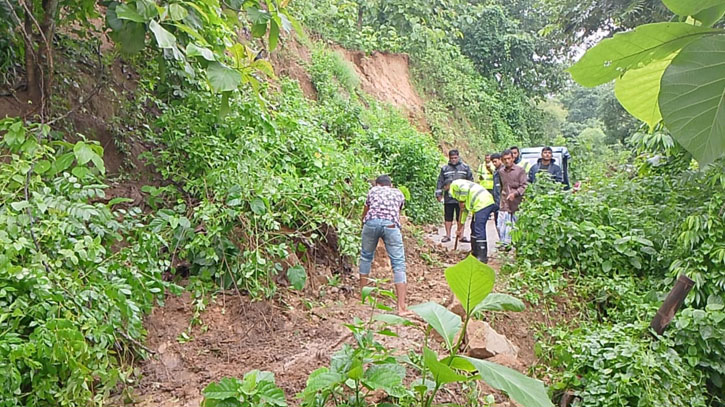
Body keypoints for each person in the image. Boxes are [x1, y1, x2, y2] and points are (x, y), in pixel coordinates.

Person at [359, 175, 409, 315]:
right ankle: (401, 308)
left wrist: (362, 222)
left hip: (371, 223)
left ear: (377, 184)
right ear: (390, 184)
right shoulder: (398, 193)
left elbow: (366, 209)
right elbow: (397, 213)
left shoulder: (373, 190)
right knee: (398, 263)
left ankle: (363, 297)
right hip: (391, 225)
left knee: (366, 257)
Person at [442, 179, 496, 263]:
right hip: (479, 205)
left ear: (447, 186)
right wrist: (459, 228)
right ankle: (475, 252)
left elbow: (464, 188)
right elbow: (464, 212)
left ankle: (482, 256)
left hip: (483, 203)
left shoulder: (456, 184)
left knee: (478, 228)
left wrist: (462, 200)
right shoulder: (462, 195)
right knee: (473, 226)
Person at [435, 149, 474, 243]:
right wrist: (438, 194)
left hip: (462, 198)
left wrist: (470, 195)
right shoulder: (445, 169)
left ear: (458, 157)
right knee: (448, 217)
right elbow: (440, 182)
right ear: (449, 158)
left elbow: (471, 181)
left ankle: (461, 236)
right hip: (449, 198)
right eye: (452, 158)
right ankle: (447, 235)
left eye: (455, 158)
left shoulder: (465, 168)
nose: (453, 160)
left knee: (461, 217)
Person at [497, 149, 527, 246]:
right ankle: (505, 245)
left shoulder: (520, 170)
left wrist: (515, 194)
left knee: (517, 226)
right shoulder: (501, 172)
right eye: (504, 159)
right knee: (501, 225)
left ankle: (518, 245)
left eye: (509, 158)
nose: (507, 161)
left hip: (517, 202)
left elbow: (524, 186)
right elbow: (502, 186)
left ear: (513, 158)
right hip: (505, 202)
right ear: (502, 160)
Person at [490, 153, 503, 232]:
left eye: (495, 161)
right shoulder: (496, 172)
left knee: (502, 224)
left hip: (502, 202)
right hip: (496, 201)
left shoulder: (504, 171)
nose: (494, 164)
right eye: (493, 162)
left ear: (500, 159)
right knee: (497, 223)